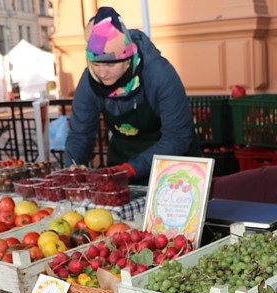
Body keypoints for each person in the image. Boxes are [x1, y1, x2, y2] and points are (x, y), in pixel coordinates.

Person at [64, 7, 198, 186]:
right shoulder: (89, 79)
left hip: (173, 168)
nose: (102, 73)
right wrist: (74, 165)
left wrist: (131, 168)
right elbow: (80, 133)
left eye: (110, 65)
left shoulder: (159, 74)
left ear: (127, 60)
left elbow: (177, 137)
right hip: (122, 161)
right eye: (95, 64)